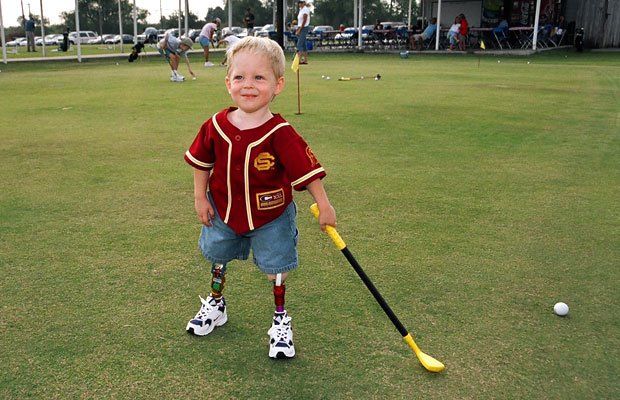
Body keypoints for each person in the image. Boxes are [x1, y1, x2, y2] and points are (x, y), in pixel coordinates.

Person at [183, 36, 337, 359]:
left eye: (259, 78)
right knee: (218, 255)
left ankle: (281, 321)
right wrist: (200, 197)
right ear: (228, 83)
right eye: (239, 77)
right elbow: (201, 162)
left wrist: (324, 204)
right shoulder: (215, 125)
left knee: (275, 268)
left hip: (271, 216)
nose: (248, 85)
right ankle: (216, 303)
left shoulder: (281, 132)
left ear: (278, 84)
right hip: (223, 210)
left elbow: (306, 171)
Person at [295, 1, 311, 65]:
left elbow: (304, 21)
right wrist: (298, 29)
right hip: (300, 27)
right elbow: (300, 21)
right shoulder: (300, 10)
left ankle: (298, 60)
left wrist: (300, 30)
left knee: (299, 44)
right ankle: (305, 60)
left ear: (304, 3)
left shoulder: (305, 9)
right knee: (304, 44)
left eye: (301, 3)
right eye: (299, 3)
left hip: (304, 27)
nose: (300, 4)